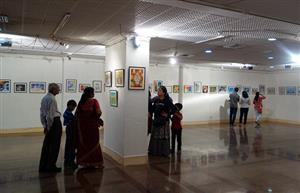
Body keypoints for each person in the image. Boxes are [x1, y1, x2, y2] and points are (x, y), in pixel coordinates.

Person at [74, 87, 103, 168]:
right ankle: (96, 162)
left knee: (84, 143)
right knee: (94, 143)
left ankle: (83, 161)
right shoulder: (94, 101)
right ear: (91, 93)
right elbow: (98, 113)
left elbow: (77, 115)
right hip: (92, 126)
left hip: (82, 127)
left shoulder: (81, 102)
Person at [39, 83, 62, 172]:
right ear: (53, 90)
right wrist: (49, 127)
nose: (59, 90)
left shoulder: (45, 98)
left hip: (49, 124)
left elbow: (42, 114)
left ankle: (43, 165)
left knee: (47, 145)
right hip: (54, 124)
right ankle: (51, 166)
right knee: (54, 145)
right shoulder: (52, 99)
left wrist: (44, 126)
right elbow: (50, 116)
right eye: (58, 89)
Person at [148, 86, 176, 156]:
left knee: (163, 137)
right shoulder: (156, 100)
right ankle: (155, 151)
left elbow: (174, 109)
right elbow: (152, 109)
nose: (158, 92)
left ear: (164, 92)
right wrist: (149, 112)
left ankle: (163, 152)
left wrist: (167, 114)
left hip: (164, 122)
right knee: (155, 136)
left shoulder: (167, 101)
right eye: (158, 90)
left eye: (160, 91)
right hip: (156, 121)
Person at [63, 99, 77, 169]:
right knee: (71, 145)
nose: (73, 109)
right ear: (70, 106)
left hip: (69, 129)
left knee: (68, 144)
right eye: (73, 107)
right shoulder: (68, 113)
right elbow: (73, 121)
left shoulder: (67, 112)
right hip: (70, 129)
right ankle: (70, 160)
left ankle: (67, 158)